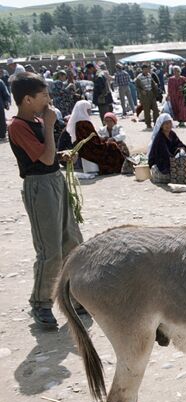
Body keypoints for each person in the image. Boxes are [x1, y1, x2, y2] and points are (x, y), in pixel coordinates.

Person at [7, 72, 83, 329]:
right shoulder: (17, 126)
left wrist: (63, 155)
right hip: (39, 187)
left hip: (55, 181)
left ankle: (73, 295)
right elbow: (45, 159)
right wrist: (50, 126)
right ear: (27, 99)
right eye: (44, 96)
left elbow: (50, 157)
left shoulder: (38, 119)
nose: (48, 100)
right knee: (50, 250)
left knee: (71, 240)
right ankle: (41, 303)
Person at [65, 100, 124, 175]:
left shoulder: (77, 122)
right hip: (90, 148)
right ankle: (118, 168)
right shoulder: (85, 123)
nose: (90, 112)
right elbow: (93, 139)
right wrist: (104, 140)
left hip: (85, 148)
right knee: (112, 146)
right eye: (88, 109)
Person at [147, 113, 186, 182]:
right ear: (161, 125)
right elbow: (164, 154)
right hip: (160, 163)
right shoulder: (159, 137)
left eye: (169, 123)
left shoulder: (172, 134)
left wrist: (181, 150)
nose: (168, 125)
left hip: (171, 160)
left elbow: (179, 144)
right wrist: (175, 159)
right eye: (166, 123)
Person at [134, 64, 160, 130]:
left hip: (151, 93)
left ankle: (156, 122)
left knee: (155, 109)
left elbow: (153, 83)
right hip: (144, 95)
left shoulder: (149, 75)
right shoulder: (139, 77)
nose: (146, 70)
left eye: (147, 69)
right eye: (144, 69)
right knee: (147, 110)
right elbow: (137, 86)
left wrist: (156, 90)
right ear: (142, 70)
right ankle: (148, 124)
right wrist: (141, 91)